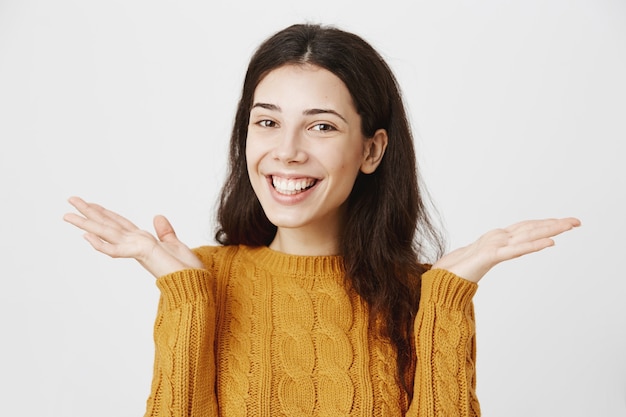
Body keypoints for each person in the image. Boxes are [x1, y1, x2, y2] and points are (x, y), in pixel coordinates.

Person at [63, 23, 580, 417]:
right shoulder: (203, 280)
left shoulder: (421, 297)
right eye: (267, 121)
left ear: (372, 150)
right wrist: (186, 296)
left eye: (322, 127)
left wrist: (446, 300)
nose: (286, 151)